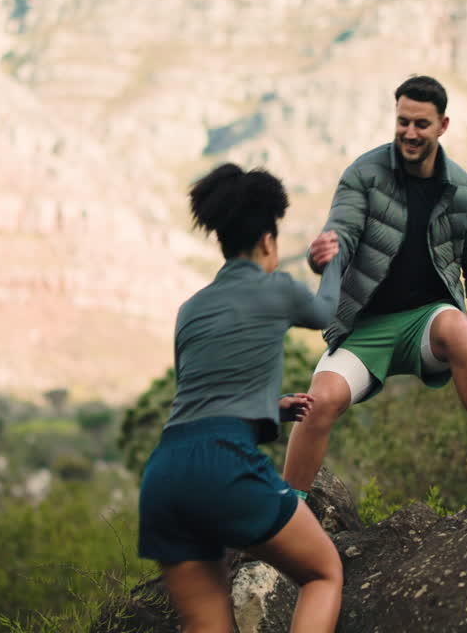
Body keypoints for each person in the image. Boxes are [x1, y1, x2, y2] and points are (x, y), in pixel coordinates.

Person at [282, 75, 467, 507]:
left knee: (460, 327)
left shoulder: (465, 193)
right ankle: (286, 514)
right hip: (364, 328)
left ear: (443, 125)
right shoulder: (363, 175)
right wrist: (322, 257)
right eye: (403, 121)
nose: (409, 132)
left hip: (427, 323)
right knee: (319, 403)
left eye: (421, 124)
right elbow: (340, 234)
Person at [138, 163, 344, 633]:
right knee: (322, 573)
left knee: (209, 624)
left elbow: (199, 397)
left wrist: (271, 408)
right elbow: (329, 311)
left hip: (165, 477)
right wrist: (329, 267)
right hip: (224, 465)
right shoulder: (277, 288)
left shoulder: (189, 310)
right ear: (269, 242)